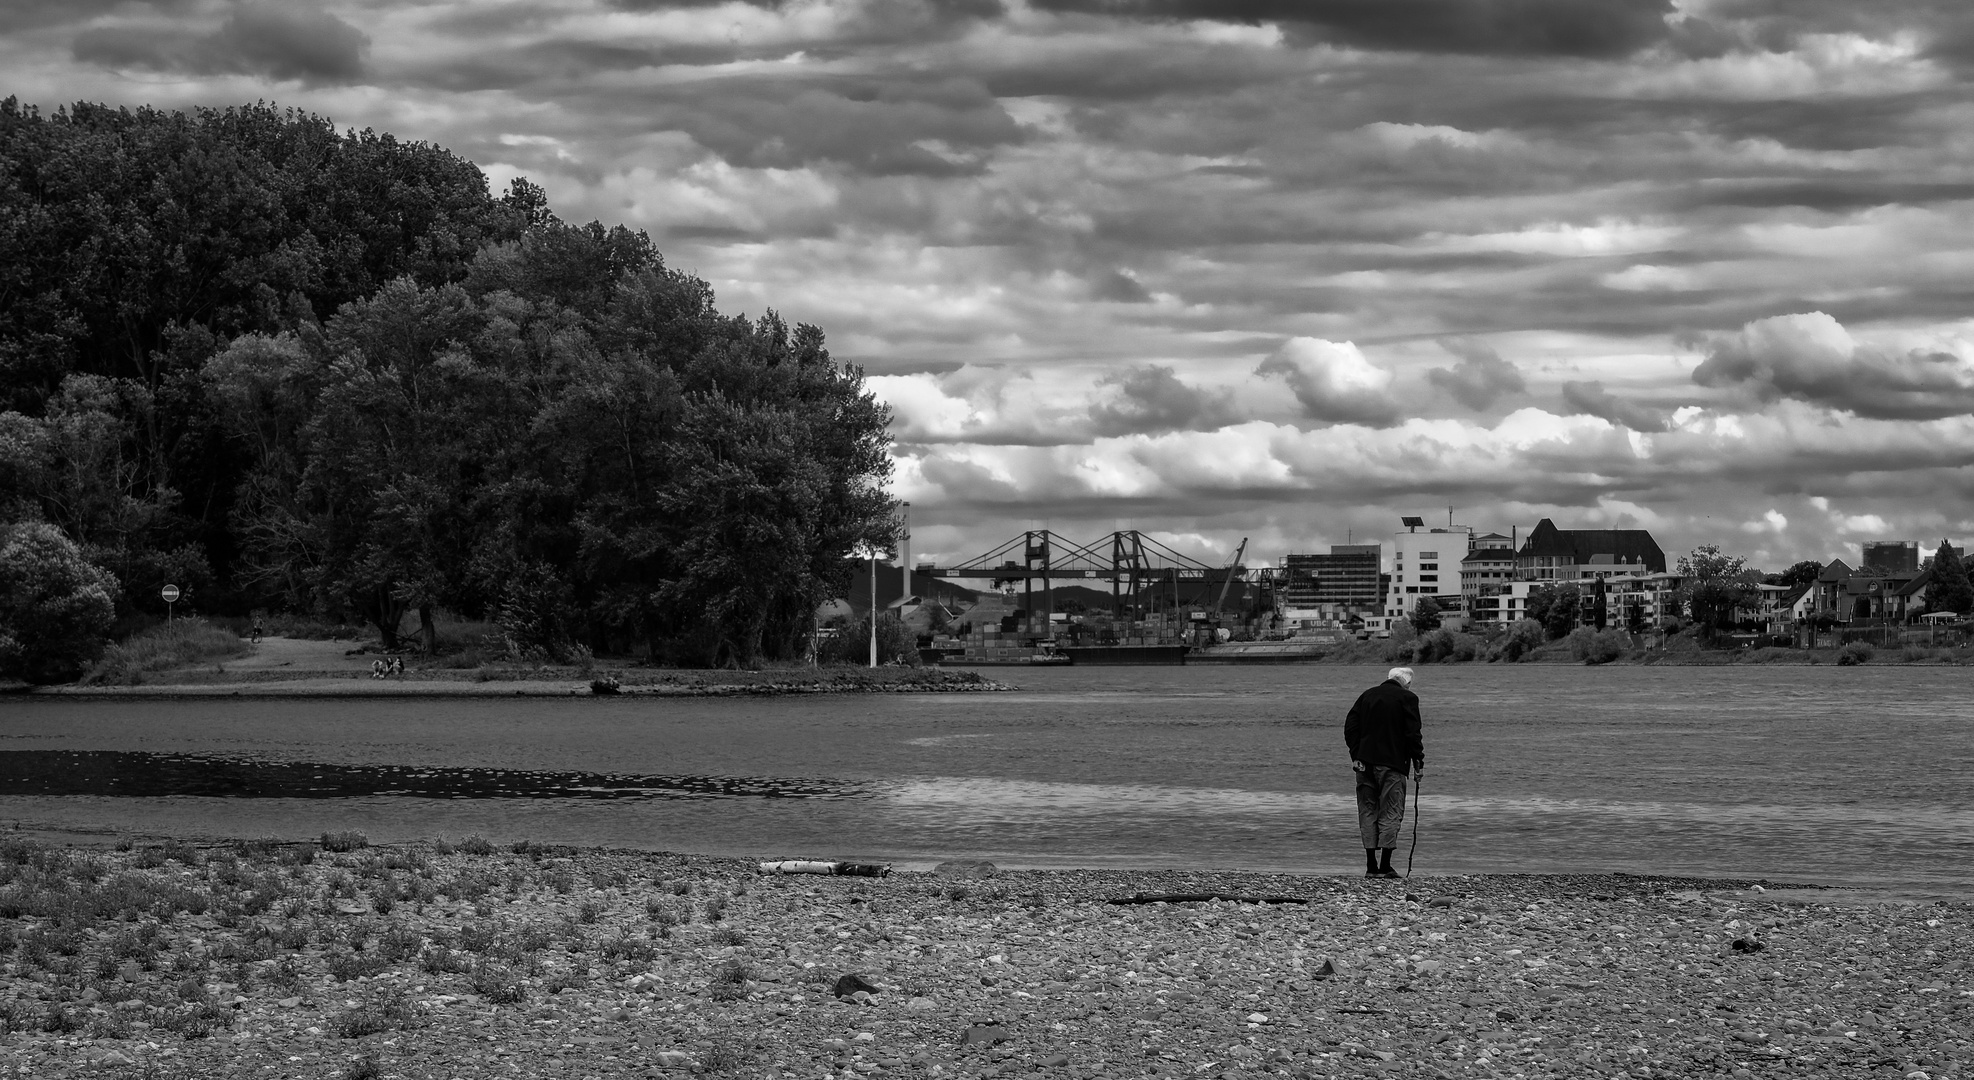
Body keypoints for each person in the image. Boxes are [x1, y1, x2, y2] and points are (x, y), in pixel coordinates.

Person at [1345, 665, 1425, 879]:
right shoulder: (1408, 698)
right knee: (1391, 811)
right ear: (1406, 683)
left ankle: (1371, 866)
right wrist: (1418, 761)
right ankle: (1385, 866)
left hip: (1364, 763)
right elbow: (1413, 734)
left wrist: (1356, 755)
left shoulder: (1367, 696)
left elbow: (1350, 727)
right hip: (1393, 765)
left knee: (1367, 810)